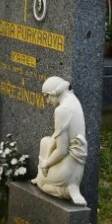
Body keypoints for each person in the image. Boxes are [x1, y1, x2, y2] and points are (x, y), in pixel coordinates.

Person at [35, 77, 88, 205]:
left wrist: (46, 164)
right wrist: (46, 160)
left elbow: (62, 151)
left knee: (41, 183)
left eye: (47, 96)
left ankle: (67, 190)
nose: (47, 101)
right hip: (75, 164)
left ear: (55, 93)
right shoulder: (72, 100)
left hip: (69, 168)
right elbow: (55, 137)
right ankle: (42, 174)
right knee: (45, 141)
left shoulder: (61, 111)